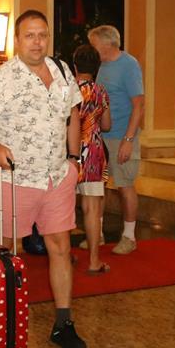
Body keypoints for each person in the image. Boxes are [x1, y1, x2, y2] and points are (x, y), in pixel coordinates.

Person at [0, 9, 87, 348]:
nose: (37, 42)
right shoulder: (2, 79)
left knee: (60, 247)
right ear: (17, 40)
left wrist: (74, 159)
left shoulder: (62, 71)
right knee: (5, 249)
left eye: (42, 35)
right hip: (14, 178)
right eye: (30, 35)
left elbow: (73, 112)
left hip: (56, 176)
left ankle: (63, 324)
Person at [88, 25, 145, 255]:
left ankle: (129, 237)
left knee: (124, 185)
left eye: (94, 45)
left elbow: (138, 105)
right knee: (98, 186)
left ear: (106, 43)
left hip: (122, 135)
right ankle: (97, 233)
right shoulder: (100, 66)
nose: (92, 49)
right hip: (101, 136)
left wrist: (128, 139)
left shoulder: (129, 65)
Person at [72, 45, 111, 274]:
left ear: (75, 66)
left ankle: (65, 254)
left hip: (69, 152)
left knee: (65, 205)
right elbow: (106, 125)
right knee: (92, 209)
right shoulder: (100, 92)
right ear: (97, 67)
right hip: (94, 153)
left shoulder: (69, 90)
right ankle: (94, 261)